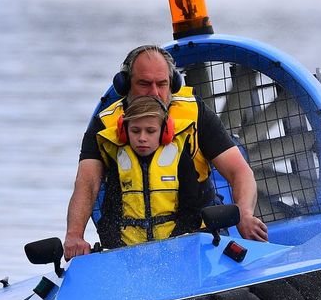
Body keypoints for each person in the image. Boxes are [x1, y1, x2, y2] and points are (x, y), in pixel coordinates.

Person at [65, 45, 268, 260]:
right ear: (124, 85)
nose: (154, 93)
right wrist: (74, 235)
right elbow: (87, 183)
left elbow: (240, 172)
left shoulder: (196, 116)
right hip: (126, 252)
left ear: (173, 83)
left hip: (195, 244)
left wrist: (244, 214)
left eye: (161, 84)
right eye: (144, 84)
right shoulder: (103, 125)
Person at [96, 95, 201, 245]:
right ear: (124, 131)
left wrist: (172, 245)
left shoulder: (180, 158)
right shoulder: (119, 160)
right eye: (135, 131)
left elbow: (191, 212)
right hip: (127, 250)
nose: (142, 138)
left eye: (150, 131)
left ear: (165, 131)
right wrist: (118, 249)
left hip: (174, 246)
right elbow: (109, 216)